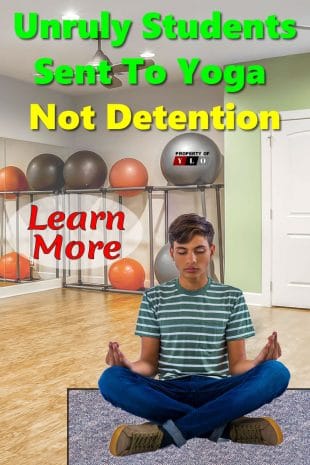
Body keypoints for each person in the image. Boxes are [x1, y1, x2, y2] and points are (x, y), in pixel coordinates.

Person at [98, 213, 290, 457]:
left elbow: (237, 365)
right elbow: (148, 364)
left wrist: (259, 363)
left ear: (211, 250)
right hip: (169, 389)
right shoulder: (154, 298)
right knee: (110, 380)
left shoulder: (231, 297)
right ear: (171, 252)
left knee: (276, 372)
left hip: (217, 389)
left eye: (199, 250)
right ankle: (222, 428)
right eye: (182, 251)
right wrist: (127, 366)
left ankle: (169, 433)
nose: (191, 259)